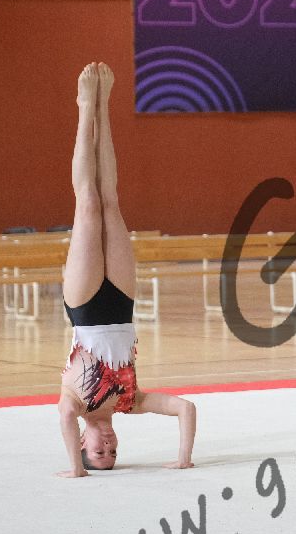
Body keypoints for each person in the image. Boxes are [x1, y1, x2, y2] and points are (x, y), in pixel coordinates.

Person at [57, 63, 196, 477]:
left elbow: (64, 419)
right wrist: (184, 457)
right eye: (114, 454)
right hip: (121, 303)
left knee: (88, 204)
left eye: (99, 453)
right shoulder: (128, 401)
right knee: (111, 201)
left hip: (84, 308)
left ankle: (85, 107)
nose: (109, 447)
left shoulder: (75, 404)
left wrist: (77, 470)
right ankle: (104, 105)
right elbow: (185, 407)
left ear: (83, 444)